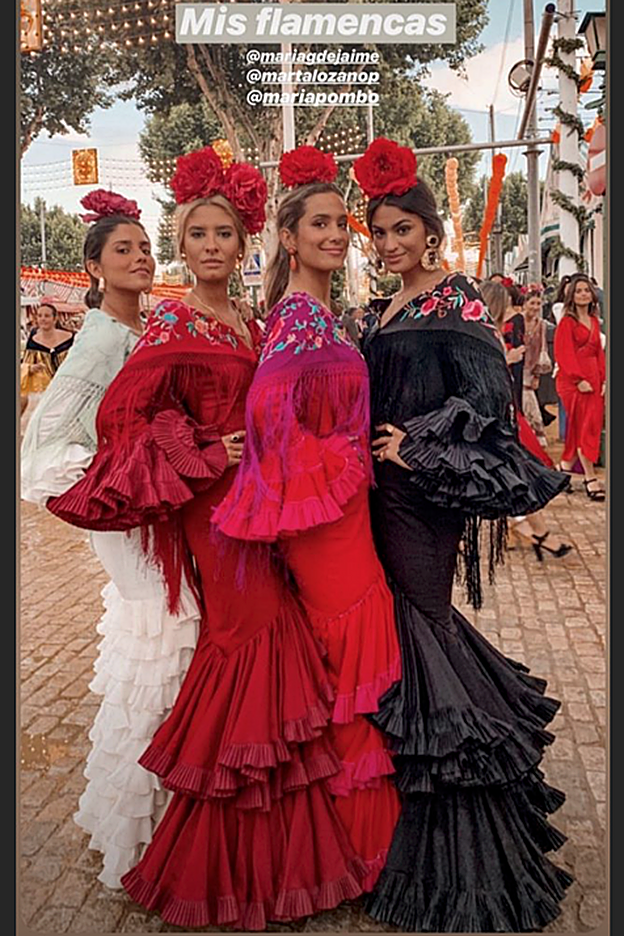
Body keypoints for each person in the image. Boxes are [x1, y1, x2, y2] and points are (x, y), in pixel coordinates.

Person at [47, 147, 372, 929]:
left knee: (279, 641)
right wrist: (197, 450)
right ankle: (218, 866)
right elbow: (117, 420)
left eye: (226, 234)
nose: (215, 247)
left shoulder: (255, 322)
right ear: (184, 248)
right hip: (215, 514)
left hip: (266, 512)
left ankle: (279, 855)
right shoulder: (171, 321)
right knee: (251, 639)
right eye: (199, 235)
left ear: (243, 241)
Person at [351, 138, 573, 932]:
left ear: (430, 233)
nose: (389, 244)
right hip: (377, 498)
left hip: (423, 494)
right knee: (405, 634)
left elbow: (488, 404)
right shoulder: (384, 309)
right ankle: (400, 821)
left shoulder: (460, 301)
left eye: (401, 230)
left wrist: (412, 447)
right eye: (378, 233)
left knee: (425, 628)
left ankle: (464, 846)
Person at [213, 145, 402, 891]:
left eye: (341, 224)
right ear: (288, 239)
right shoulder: (297, 320)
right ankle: (363, 848)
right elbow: (268, 418)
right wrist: (340, 467)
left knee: (346, 670)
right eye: (320, 224)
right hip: (327, 526)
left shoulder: (321, 316)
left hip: (342, 515)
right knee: (349, 662)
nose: (338, 234)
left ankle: (348, 842)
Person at [20, 190, 201, 888]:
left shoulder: (144, 331)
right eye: (123, 249)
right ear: (92, 267)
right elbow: (40, 449)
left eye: (145, 247)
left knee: (158, 643)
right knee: (161, 636)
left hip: (156, 511)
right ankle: (146, 833)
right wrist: (116, 483)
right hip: (128, 516)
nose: (140, 257)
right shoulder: (97, 340)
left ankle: (154, 820)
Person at [480, 280, 572, 561]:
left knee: (516, 474)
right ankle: (528, 530)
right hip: (495, 415)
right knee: (515, 474)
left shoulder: (495, 331)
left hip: (503, 412)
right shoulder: (487, 334)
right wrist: (506, 358)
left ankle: (527, 528)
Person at [554, 273, 606, 501]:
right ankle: (590, 477)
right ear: (571, 296)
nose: (584, 294)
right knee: (584, 427)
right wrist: (578, 379)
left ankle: (563, 468)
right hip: (574, 382)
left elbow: (599, 353)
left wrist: (603, 380)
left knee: (586, 426)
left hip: (594, 380)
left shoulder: (595, 321)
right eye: (579, 291)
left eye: (586, 290)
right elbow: (563, 354)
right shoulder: (567, 322)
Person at [20, 301, 74, 425]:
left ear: (55, 319)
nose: (43, 319)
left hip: (68, 390)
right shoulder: (33, 341)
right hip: (43, 393)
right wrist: (31, 368)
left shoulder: (71, 338)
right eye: (40, 316)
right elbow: (25, 365)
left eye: (47, 316)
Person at [521, 287, 552, 449]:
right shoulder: (517, 321)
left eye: (538, 304)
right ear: (525, 303)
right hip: (518, 365)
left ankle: (533, 435)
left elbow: (542, 348)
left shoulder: (541, 325)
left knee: (529, 399)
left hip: (531, 368)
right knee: (524, 400)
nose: (535, 307)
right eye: (532, 303)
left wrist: (537, 375)